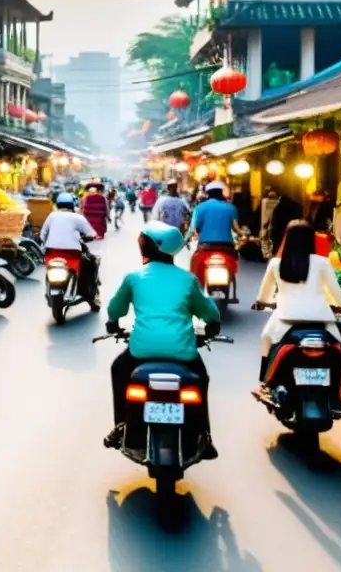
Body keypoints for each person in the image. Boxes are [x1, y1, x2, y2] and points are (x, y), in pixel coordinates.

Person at [104, 222, 221, 456]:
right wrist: (212, 327)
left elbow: (115, 309)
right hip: (183, 353)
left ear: (148, 247)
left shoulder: (134, 278)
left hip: (141, 352)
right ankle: (204, 435)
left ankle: (121, 426)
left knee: (119, 369)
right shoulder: (188, 280)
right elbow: (210, 313)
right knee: (201, 379)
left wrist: (113, 324)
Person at [253, 220, 341, 387]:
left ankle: (265, 382)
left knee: (266, 338)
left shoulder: (276, 264)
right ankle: (337, 389)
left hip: (286, 318)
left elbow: (264, 295)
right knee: (339, 348)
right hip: (320, 319)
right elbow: (336, 293)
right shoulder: (322, 262)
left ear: (287, 239)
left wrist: (263, 302)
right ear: (311, 240)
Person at [41, 192, 99, 303]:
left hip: (51, 252)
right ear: (72, 205)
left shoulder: (52, 216)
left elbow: (42, 234)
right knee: (91, 262)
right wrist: (90, 237)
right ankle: (91, 293)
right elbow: (91, 233)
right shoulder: (78, 217)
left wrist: (44, 244)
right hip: (73, 254)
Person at [192, 181, 243, 249]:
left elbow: (196, 227)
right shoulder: (231, 208)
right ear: (221, 193)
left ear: (208, 194)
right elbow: (236, 229)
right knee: (235, 255)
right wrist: (244, 234)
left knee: (196, 255)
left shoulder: (199, 208)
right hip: (226, 246)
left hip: (205, 245)